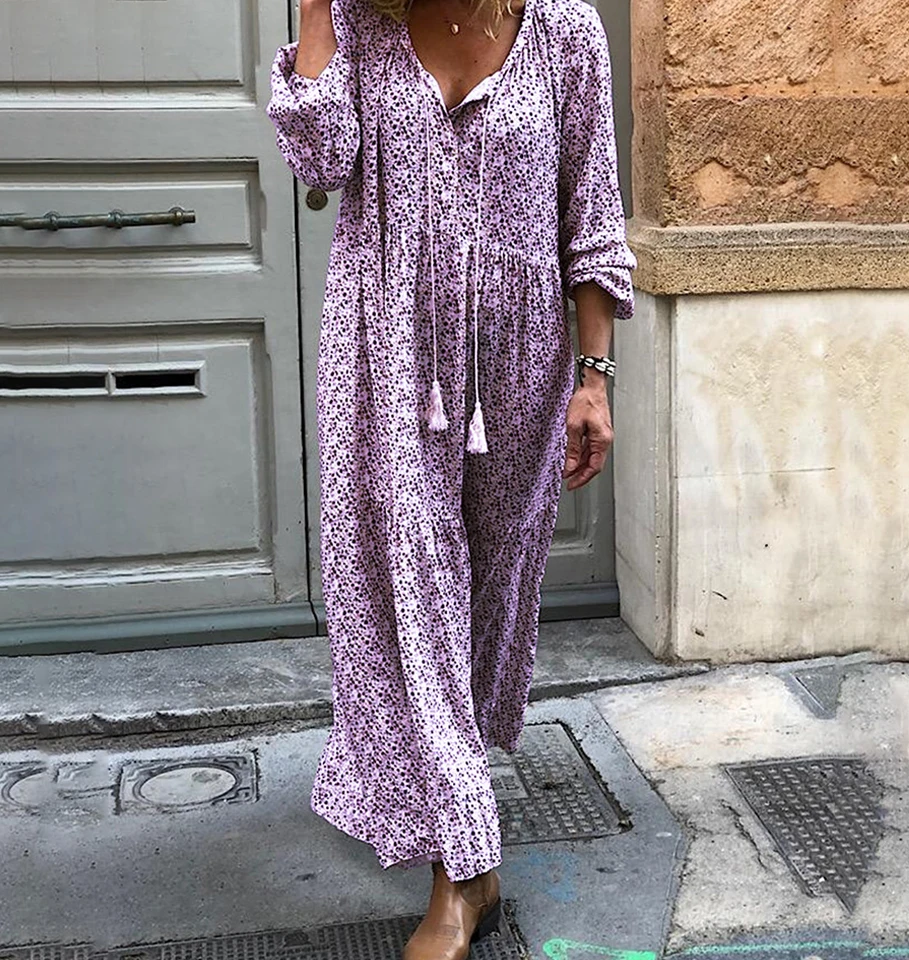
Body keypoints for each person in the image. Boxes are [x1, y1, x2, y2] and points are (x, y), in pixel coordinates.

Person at [265, 0, 635, 956]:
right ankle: (462, 873)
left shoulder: (566, 33)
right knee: (415, 601)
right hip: (387, 361)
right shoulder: (360, 24)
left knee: (482, 609)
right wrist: (316, 11)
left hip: (522, 371)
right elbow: (319, 161)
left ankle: (462, 841)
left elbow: (592, 216)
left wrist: (594, 377)